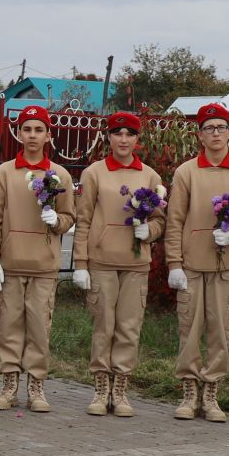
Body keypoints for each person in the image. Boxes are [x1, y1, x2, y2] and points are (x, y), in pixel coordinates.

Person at [164, 103, 229, 422]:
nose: (216, 133)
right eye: (209, 128)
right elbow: (175, 219)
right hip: (192, 264)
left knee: (221, 330)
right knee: (189, 330)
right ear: (200, 135)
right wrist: (174, 263)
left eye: (221, 127)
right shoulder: (186, 171)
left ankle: (211, 392)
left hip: (228, 267)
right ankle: (189, 391)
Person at [72, 111, 164, 417]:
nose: (123, 140)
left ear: (137, 139)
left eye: (130, 134)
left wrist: (148, 232)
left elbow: (160, 221)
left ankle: (121, 390)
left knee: (129, 327)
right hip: (101, 260)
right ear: (108, 137)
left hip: (135, 264)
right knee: (104, 326)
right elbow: (83, 220)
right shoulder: (94, 172)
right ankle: (100, 390)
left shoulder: (149, 176)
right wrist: (81, 262)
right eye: (117, 133)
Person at [0, 104, 75, 412]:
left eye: (39, 129)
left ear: (49, 135)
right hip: (11, 262)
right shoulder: (5, 172)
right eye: (27, 129)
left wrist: (57, 221)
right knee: (9, 325)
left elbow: (69, 216)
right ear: (18, 133)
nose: (33, 135)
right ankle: (9, 383)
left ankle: (36, 385)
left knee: (39, 326)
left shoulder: (59, 174)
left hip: (44, 265)